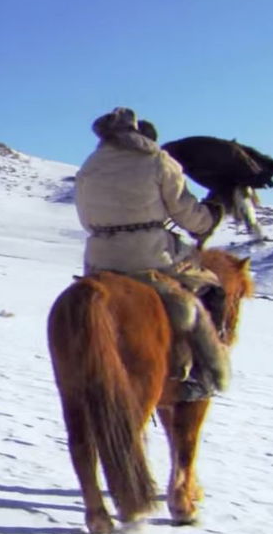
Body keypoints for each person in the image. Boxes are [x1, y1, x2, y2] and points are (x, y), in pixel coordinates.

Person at [74, 107, 229, 401]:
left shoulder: (89, 166)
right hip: (151, 256)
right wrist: (211, 216)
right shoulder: (157, 160)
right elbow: (188, 215)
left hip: (99, 259)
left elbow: (85, 219)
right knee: (212, 288)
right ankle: (201, 376)